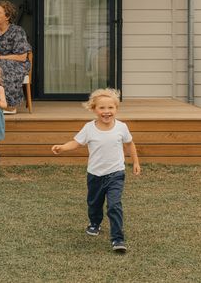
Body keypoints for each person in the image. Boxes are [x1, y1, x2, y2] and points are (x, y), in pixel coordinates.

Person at [51, 88, 141, 253]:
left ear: (116, 109)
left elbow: (129, 144)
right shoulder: (89, 128)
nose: (106, 112)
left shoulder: (121, 127)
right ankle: (94, 223)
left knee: (114, 205)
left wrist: (135, 162)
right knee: (94, 204)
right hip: (95, 175)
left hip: (116, 174)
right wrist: (63, 147)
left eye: (110, 108)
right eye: (102, 108)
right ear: (94, 109)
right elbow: (76, 142)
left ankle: (118, 239)